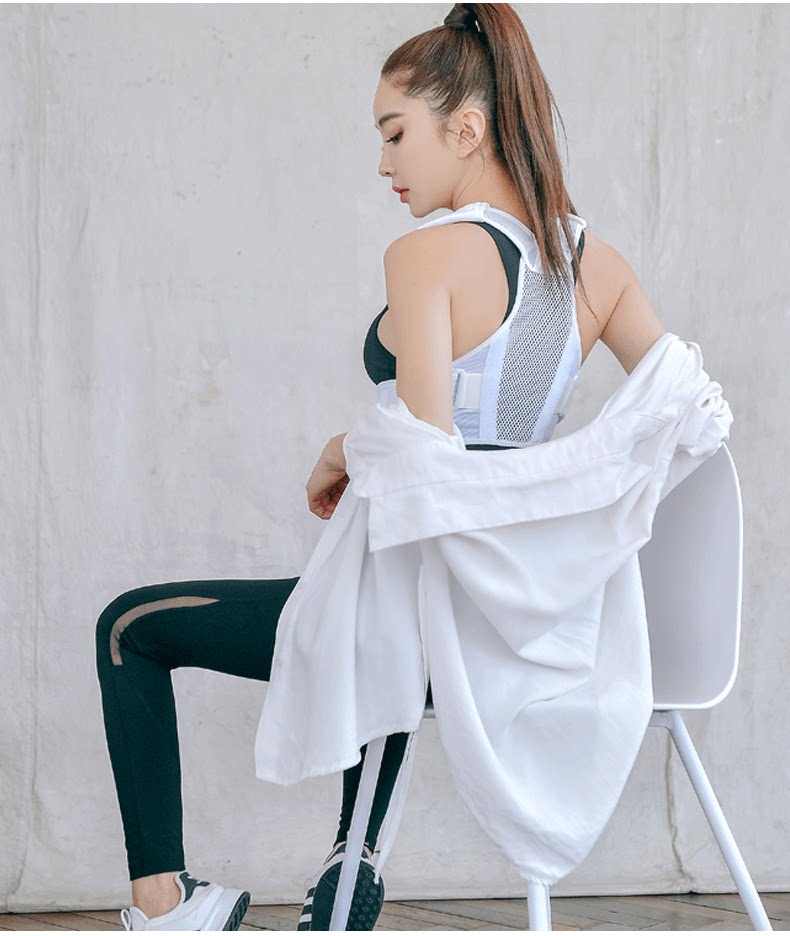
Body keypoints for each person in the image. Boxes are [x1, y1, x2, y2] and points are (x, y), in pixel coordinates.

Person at [95, 2, 667, 931]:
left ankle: (165, 907)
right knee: (388, 601)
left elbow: (422, 472)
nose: (383, 162)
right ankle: (350, 858)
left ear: (466, 129)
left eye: (396, 133)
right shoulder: (597, 267)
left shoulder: (428, 255)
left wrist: (342, 449)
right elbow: (685, 412)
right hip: (532, 636)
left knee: (131, 628)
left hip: (422, 624)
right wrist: (575, 502)